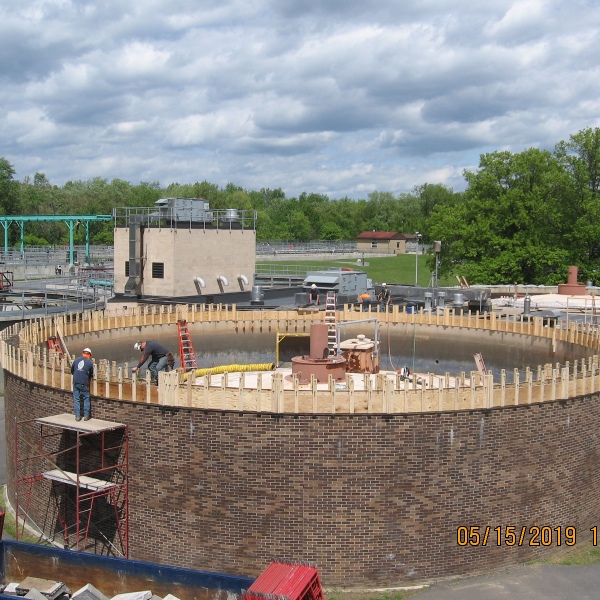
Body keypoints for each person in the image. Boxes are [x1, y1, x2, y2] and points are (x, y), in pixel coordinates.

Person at [71, 347, 94, 421]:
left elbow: (72, 371)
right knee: (86, 398)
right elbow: (91, 373)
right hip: (84, 383)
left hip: (76, 381)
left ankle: (77, 416)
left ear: (82, 353)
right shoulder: (90, 363)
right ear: (89, 355)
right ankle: (86, 416)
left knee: (76, 399)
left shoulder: (76, 360)